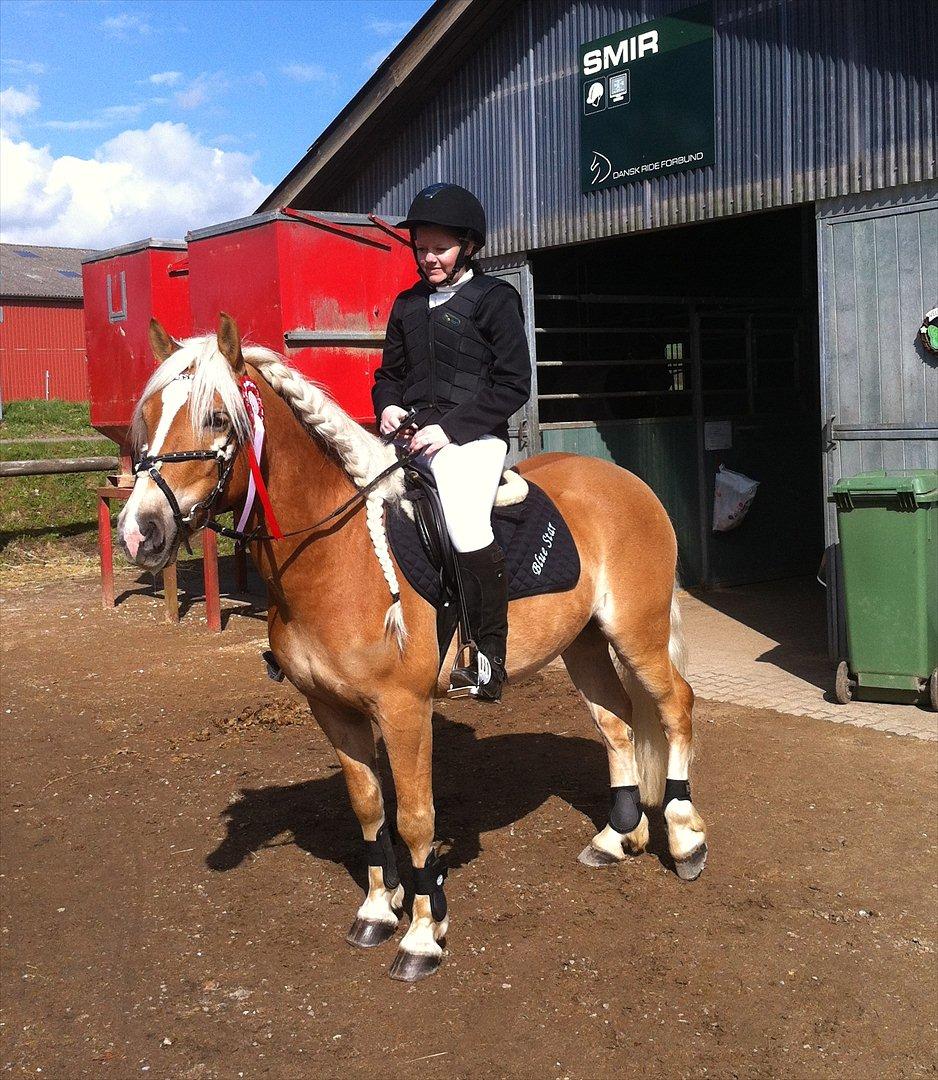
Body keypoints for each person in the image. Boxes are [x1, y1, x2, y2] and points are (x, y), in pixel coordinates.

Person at [373, 183, 532, 702]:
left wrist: (451, 429)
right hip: (412, 436)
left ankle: (488, 656)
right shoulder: (407, 304)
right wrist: (387, 405)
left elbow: (514, 384)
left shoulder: (495, 300)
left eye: (439, 248)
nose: (428, 257)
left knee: (464, 525)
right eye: (421, 247)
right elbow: (388, 374)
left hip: (474, 439)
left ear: (468, 245)